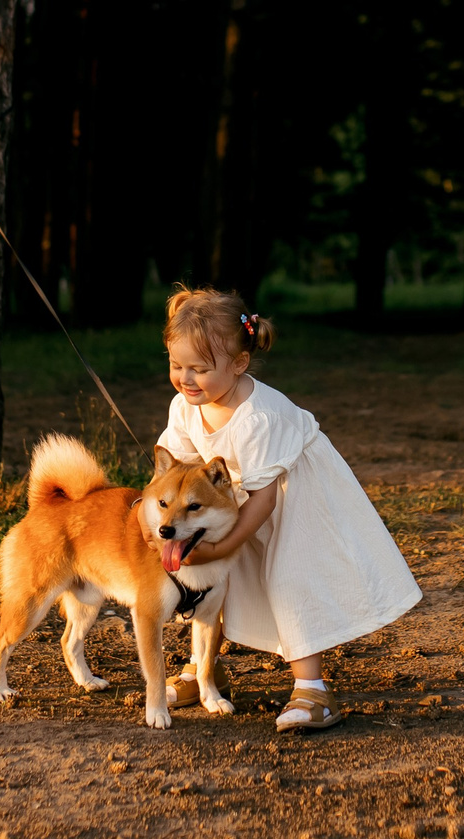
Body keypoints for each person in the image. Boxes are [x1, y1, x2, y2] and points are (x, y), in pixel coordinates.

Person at [155, 286, 421, 731]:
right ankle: (204, 667)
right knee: (220, 580)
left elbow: (266, 496)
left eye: (199, 369)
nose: (185, 378)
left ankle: (312, 689)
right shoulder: (185, 406)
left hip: (297, 498)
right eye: (176, 365)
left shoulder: (258, 416)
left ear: (239, 364)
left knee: (288, 578)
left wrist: (225, 546)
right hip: (240, 497)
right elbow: (173, 471)